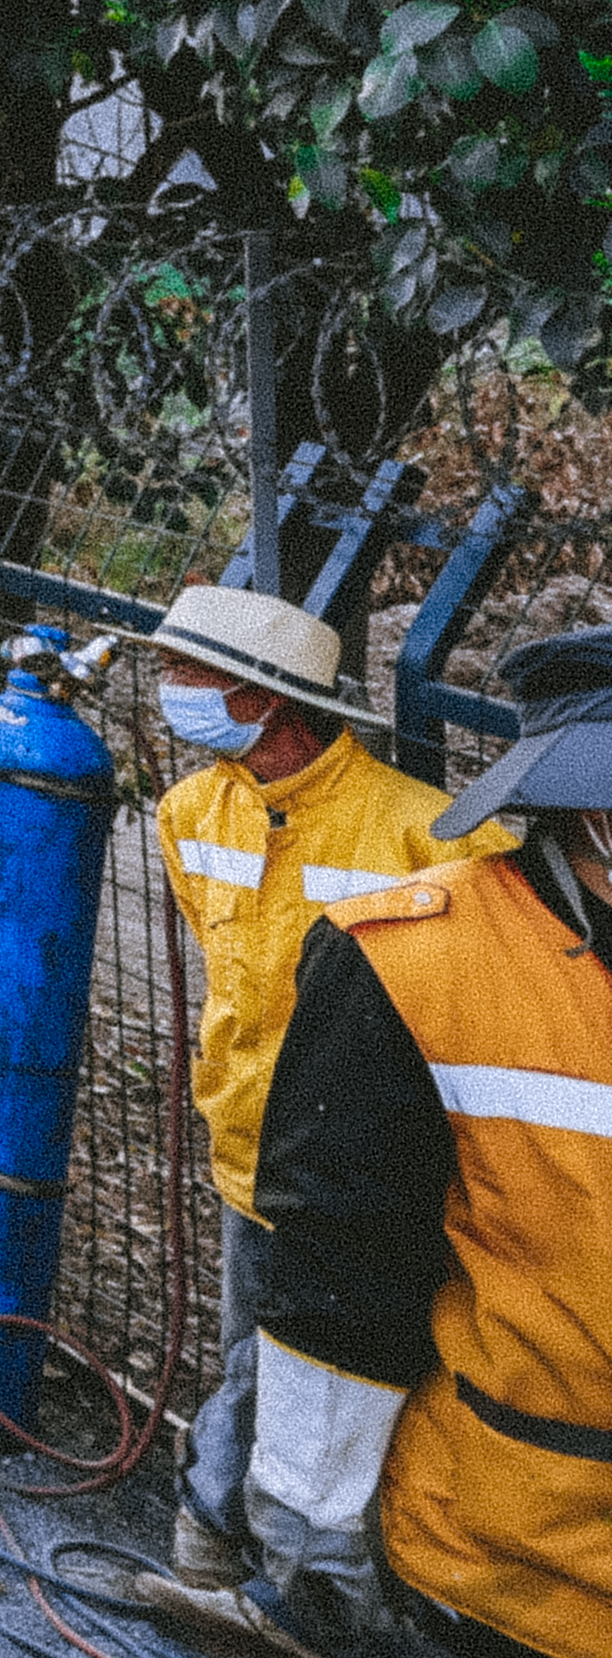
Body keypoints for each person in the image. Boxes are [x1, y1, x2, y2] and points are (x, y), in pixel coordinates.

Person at [240, 626, 612, 1658]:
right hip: (544, 1548)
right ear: (582, 812)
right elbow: (345, 1263)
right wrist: (312, 1501)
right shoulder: (418, 963)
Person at [144, 580, 500, 1587]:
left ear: (263, 699)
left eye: (188, 675)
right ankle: (241, 1533)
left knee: (306, 1356)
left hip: (363, 1172)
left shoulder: (424, 837)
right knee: (256, 1347)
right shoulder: (190, 811)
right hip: (245, 1139)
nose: (168, 691)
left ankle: (231, 1534)